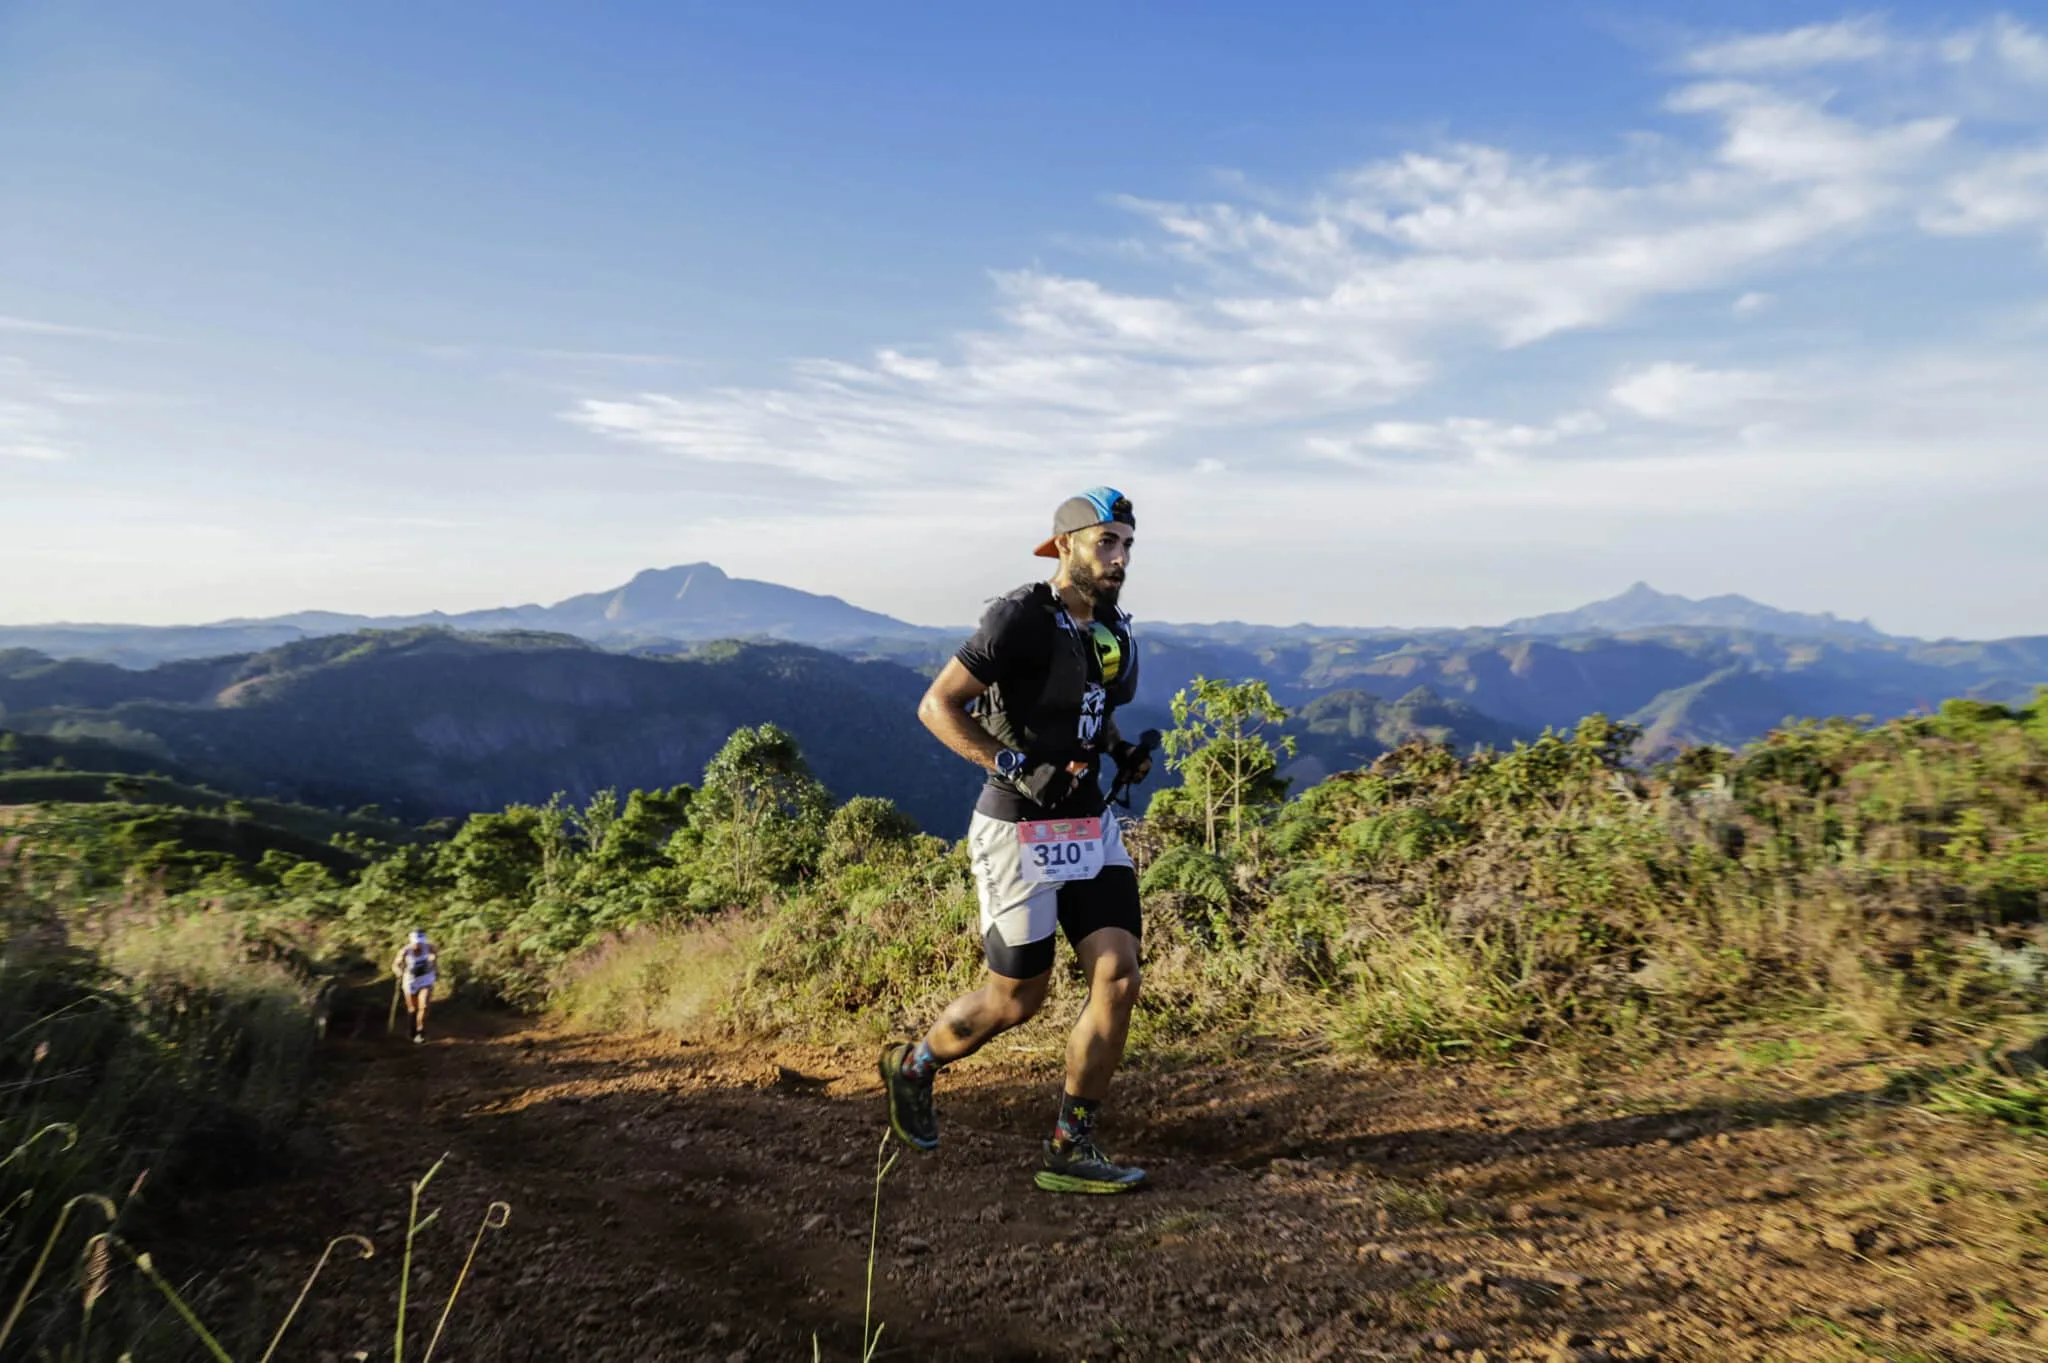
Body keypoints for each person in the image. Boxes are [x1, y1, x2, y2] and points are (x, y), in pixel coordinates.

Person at [882, 487, 1156, 1194]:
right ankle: (915, 1064)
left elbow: (1089, 711)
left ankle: (1070, 1144)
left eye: (1127, 542)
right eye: (1107, 541)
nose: (1121, 555)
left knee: (1118, 972)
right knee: (1015, 1000)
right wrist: (1012, 763)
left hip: (1088, 821)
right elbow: (937, 704)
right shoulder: (1019, 617)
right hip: (1019, 827)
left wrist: (1120, 752)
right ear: (1064, 543)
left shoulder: (1112, 626)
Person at [393, 928, 438, 1044]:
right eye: (416, 942)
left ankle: (421, 1032)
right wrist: (398, 971)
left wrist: (433, 960)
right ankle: (412, 1029)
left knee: (424, 1006)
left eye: (420, 942)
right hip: (410, 981)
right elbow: (396, 964)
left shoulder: (429, 947)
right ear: (411, 941)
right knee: (412, 1009)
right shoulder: (405, 951)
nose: (418, 945)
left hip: (426, 980)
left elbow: (434, 957)